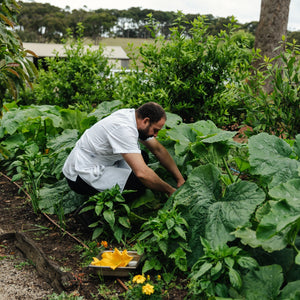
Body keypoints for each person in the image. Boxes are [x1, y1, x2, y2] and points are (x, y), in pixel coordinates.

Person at [62, 102, 185, 200]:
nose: (156, 135)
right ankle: (96, 210)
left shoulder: (132, 116)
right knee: (139, 183)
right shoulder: (123, 129)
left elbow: (158, 150)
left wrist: (180, 179)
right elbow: (142, 173)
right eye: (155, 130)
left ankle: (114, 187)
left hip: (97, 161)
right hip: (80, 175)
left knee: (143, 156)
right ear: (146, 121)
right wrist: (170, 190)